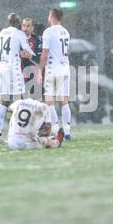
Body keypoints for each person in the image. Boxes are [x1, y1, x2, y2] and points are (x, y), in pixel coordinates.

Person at [0, 13, 34, 142]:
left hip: (3, 67)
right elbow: (27, 50)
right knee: (21, 99)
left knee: (4, 101)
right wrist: (33, 56)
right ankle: (22, 130)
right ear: (18, 23)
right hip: (13, 68)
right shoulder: (19, 33)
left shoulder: (3, 33)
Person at [38, 8, 72, 140]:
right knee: (64, 102)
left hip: (53, 69)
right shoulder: (66, 32)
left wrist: (40, 71)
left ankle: (57, 131)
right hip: (65, 69)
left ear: (51, 16)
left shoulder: (48, 32)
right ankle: (67, 132)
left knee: (49, 102)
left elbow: (45, 54)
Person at [21, 18, 43, 99]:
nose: (25, 28)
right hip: (18, 73)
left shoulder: (36, 40)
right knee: (18, 100)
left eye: (28, 26)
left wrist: (30, 56)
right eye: (23, 26)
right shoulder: (16, 39)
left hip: (32, 73)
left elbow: (39, 59)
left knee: (34, 100)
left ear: (32, 28)